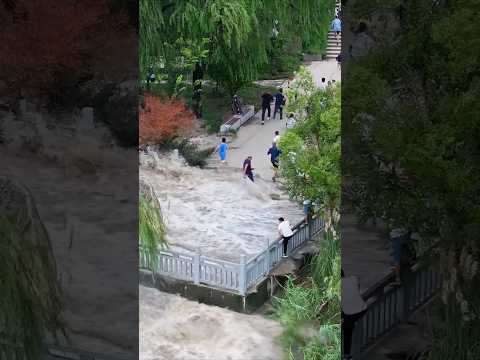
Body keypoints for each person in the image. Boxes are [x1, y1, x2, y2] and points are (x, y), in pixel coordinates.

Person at [342, 269, 367, 359]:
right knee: (348, 328)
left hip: (349, 313)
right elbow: (357, 285)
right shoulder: (353, 278)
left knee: (347, 331)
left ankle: (346, 354)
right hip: (362, 308)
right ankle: (346, 354)